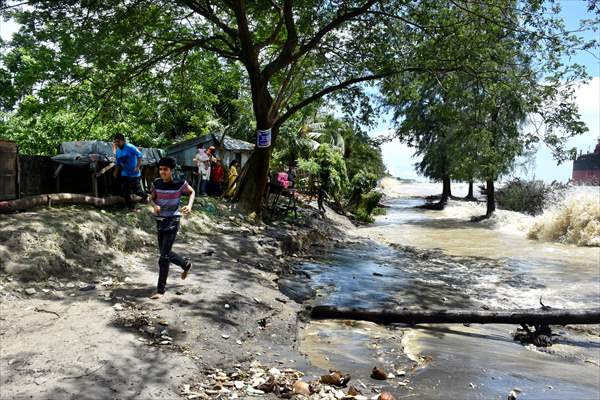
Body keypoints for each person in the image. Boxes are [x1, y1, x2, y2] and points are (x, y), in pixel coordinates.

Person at [148, 157, 195, 299]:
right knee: (165, 252)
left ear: (171, 170)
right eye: (161, 169)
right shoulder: (156, 183)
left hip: (173, 220)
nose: (162, 172)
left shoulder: (180, 184)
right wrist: (154, 205)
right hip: (160, 221)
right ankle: (185, 264)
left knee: (163, 257)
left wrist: (189, 206)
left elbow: (192, 192)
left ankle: (160, 290)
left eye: (165, 170)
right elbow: (151, 197)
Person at [113, 133, 148, 210]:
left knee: (137, 191)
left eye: (118, 141)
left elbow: (140, 155)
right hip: (125, 173)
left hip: (134, 174)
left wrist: (137, 167)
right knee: (125, 191)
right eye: (115, 142)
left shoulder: (130, 147)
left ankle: (145, 196)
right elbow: (118, 162)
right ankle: (130, 207)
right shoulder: (118, 151)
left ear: (123, 141)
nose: (117, 143)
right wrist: (115, 172)